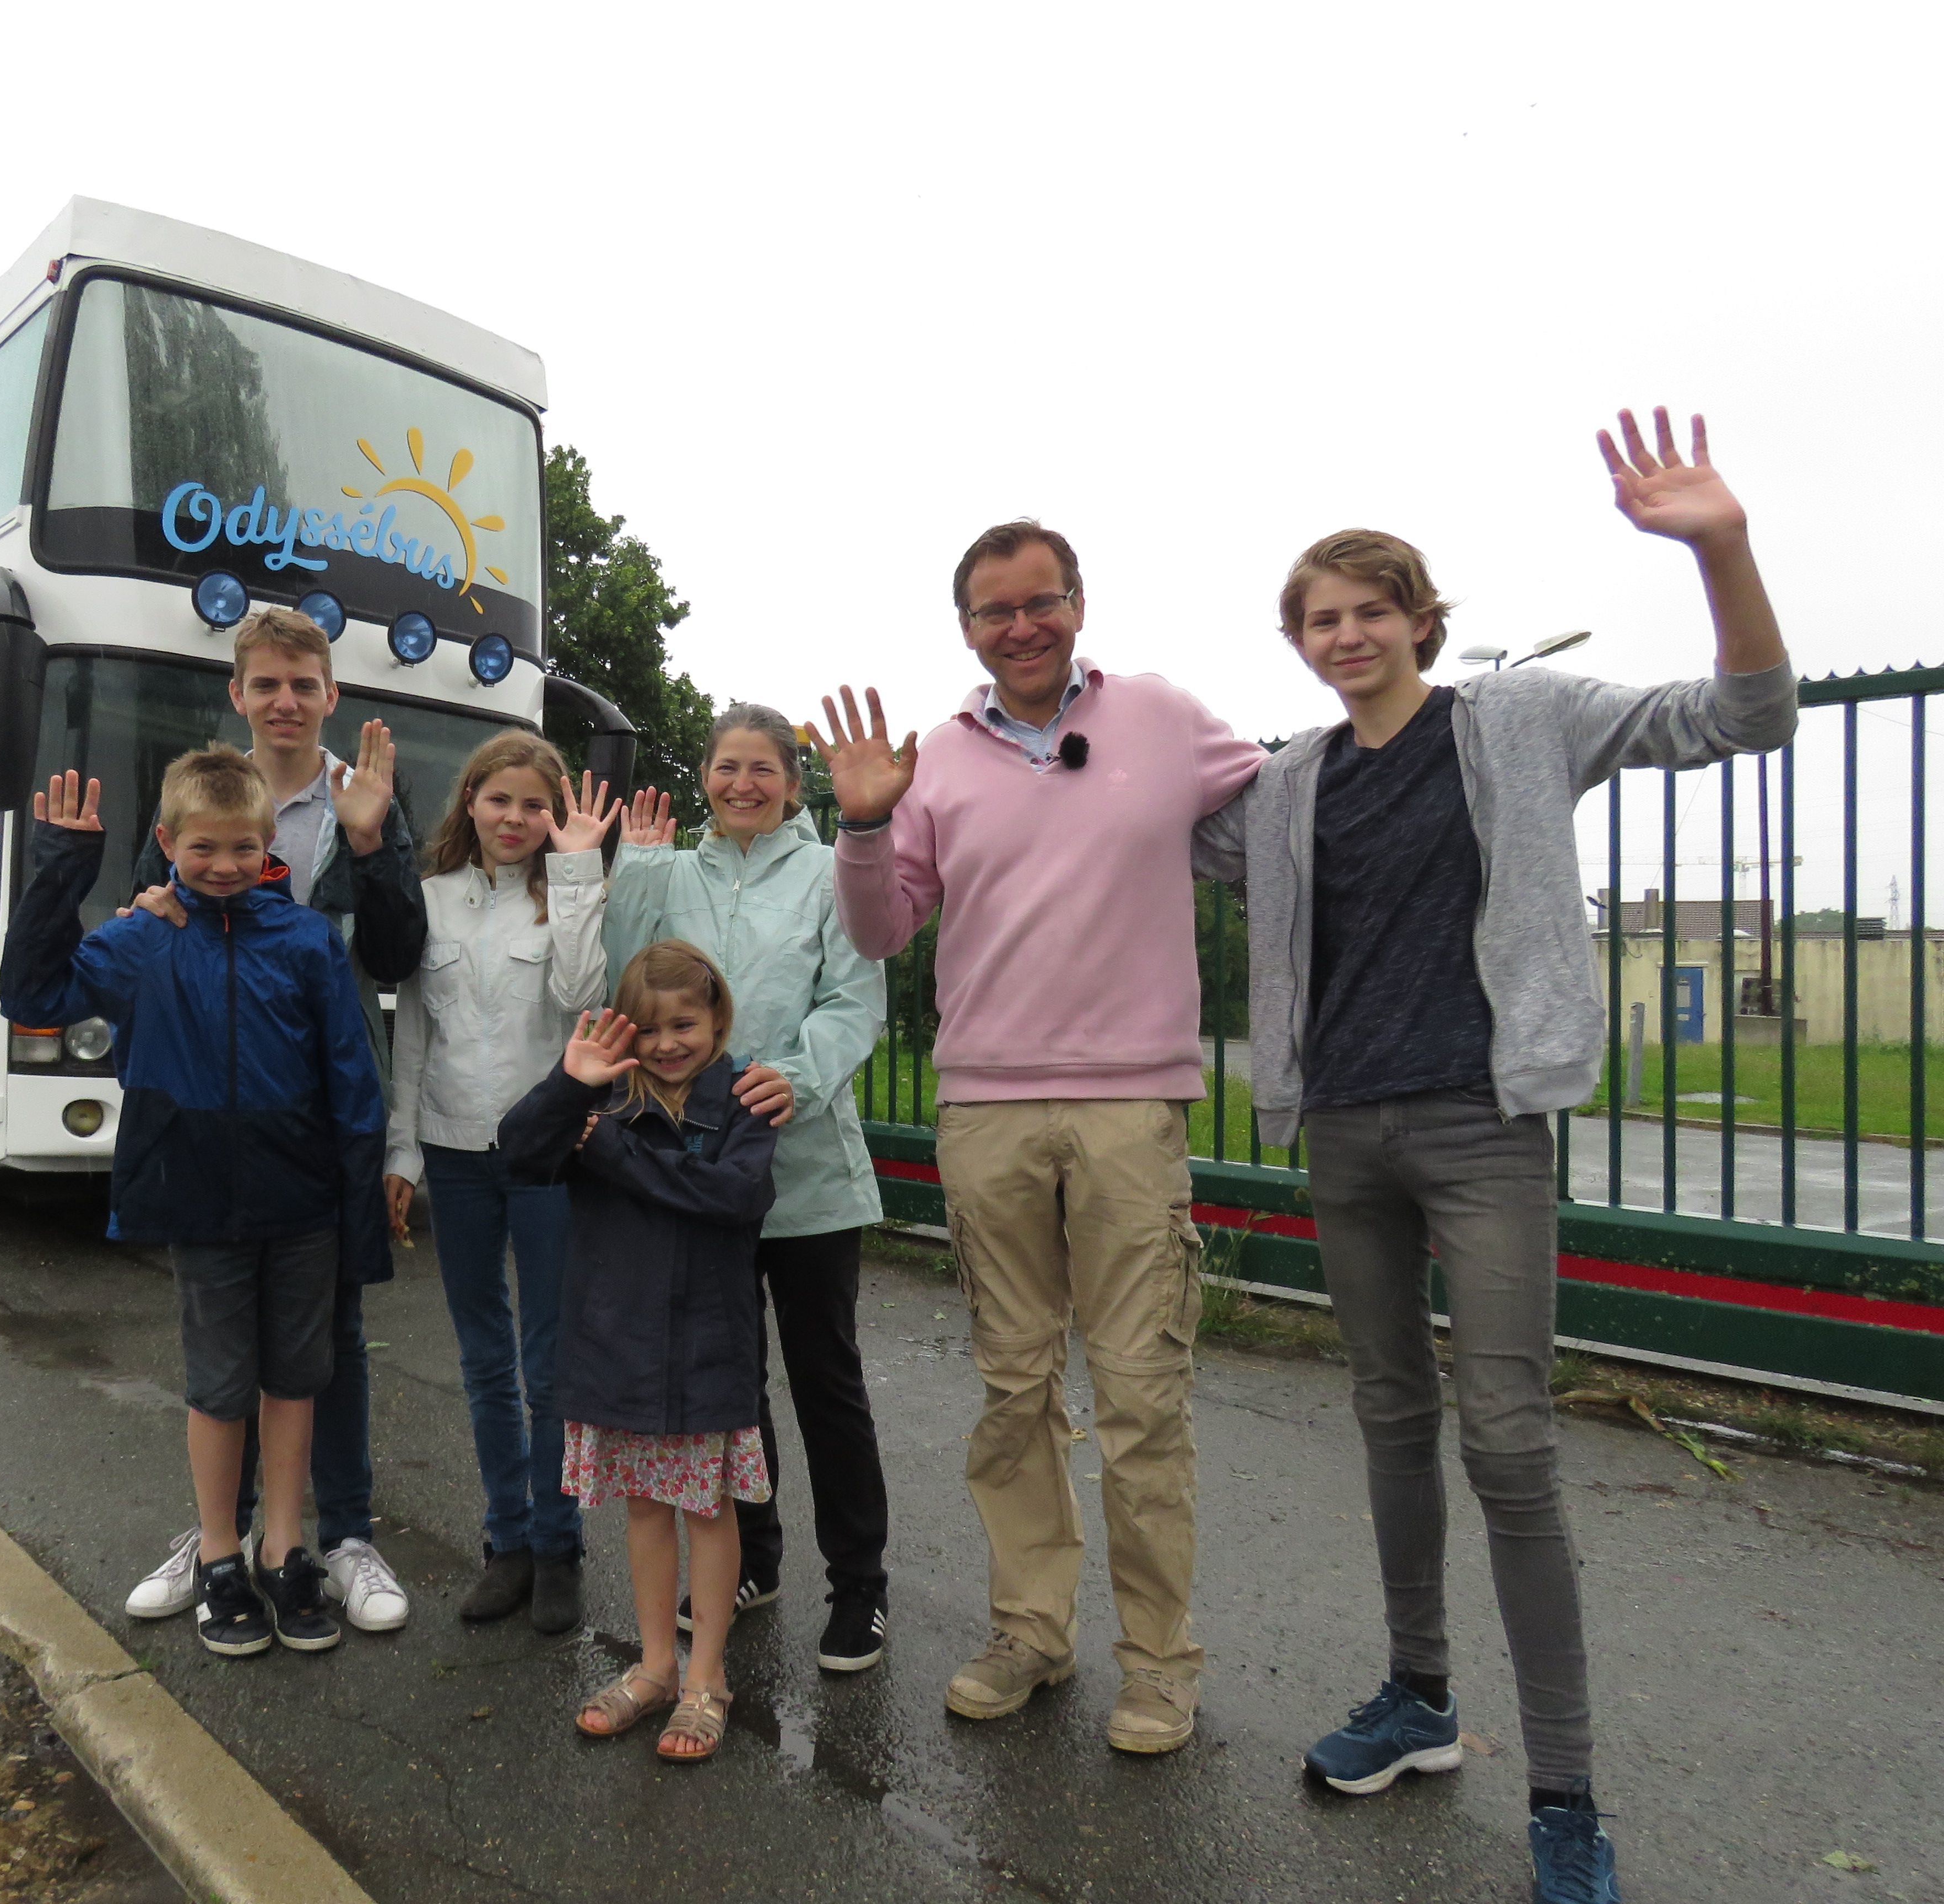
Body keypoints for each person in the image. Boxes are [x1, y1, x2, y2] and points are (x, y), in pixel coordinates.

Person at [1190, 409, 1795, 1904]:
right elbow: (1138, 818)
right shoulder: (1286, 785)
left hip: (1483, 1125)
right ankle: (1418, 1700)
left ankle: (1570, 1798)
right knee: (1392, 1419)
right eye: (1319, 619)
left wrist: (1718, 544)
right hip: (1342, 1127)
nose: (1346, 635)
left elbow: (1746, 720)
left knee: (1509, 1444)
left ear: (1421, 618)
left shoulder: (1517, 719)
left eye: (1369, 609)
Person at [818, 521, 1263, 1750]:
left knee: (1139, 1395)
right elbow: (876, 935)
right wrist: (862, 826)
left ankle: (1160, 1663)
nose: (1021, 628)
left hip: (1131, 1103)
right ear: (964, 627)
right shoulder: (937, 765)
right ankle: (1033, 1631)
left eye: (1041, 602)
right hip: (989, 1107)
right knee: (1014, 1392)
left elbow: (1287, 809)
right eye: (993, 611)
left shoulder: (1164, 717)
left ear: (1079, 603)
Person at [1, 748, 393, 1658]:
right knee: (220, 1386)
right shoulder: (146, 936)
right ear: (168, 842)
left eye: (244, 848)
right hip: (197, 1201)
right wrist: (62, 868)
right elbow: (33, 992)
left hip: (301, 1202)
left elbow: (352, 1081)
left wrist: (358, 1207)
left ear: (271, 850)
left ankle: (286, 1548)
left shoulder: (304, 943)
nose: (224, 864)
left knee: (296, 1381)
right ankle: (221, 1554)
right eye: (204, 847)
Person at [121, 607, 421, 1638]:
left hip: (322, 1108)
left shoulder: (365, 794)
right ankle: (227, 1540)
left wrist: (374, 842)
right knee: (228, 1344)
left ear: (331, 695)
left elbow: (395, 954)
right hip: (218, 1121)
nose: (286, 701)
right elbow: (156, 928)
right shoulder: (202, 798)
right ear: (237, 695)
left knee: (324, 1332)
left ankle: (338, 1537)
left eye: (305, 684)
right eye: (267, 685)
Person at [610, 704, 894, 1672]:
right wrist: (634, 879)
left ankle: (861, 1586)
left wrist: (800, 1079)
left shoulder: (828, 874)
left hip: (805, 1170)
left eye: (763, 769)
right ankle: (752, 1559)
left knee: (827, 1382)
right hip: (698, 1178)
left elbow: (855, 999)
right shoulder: (671, 870)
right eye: (727, 766)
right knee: (731, 1388)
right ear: (705, 774)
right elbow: (622, 993)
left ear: (793, 781)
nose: (743, 784)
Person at [497, 945, 781, 1765]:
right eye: (649, 1029)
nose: (666, 1044)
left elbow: (734, 1198)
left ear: (718, 1020)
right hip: (618, 1342)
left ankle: (706, 1678)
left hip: (706, 1347)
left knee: (708, 1508)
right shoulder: (601, 1096)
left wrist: (615, 1153)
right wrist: (570, 1082)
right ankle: (655, 1668)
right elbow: (518, 1151)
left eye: (685, 1025)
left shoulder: (744, 1102)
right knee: (648, 1507)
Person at [384, 733, 621, 1632]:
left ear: (553, 812)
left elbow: (581, 996)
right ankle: (508, 1541)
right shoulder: (431, 900)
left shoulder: (570, 892)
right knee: (485, 1360)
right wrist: (401, 1155)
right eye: (500, 801)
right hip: (452, 1150)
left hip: (546, 1154)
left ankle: (560, 1548)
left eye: (534, 803)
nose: (516, 819)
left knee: (550, 1365)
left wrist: (574, 878)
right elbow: (413, 1035)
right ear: (471, 804)